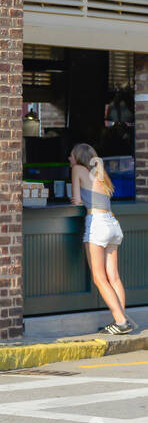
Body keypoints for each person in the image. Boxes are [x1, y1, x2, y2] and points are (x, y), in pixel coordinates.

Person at [69, 143, 132, 335]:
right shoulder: (100, 174)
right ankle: (121, 320)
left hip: (97, 223)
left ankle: (120, 321)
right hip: (112, 223)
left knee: (99, 277)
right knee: (114, 276)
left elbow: (77, 200)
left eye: (71, 155)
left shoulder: (77, 170)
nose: (69, 159)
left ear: (78, 157)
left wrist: (75, 200)